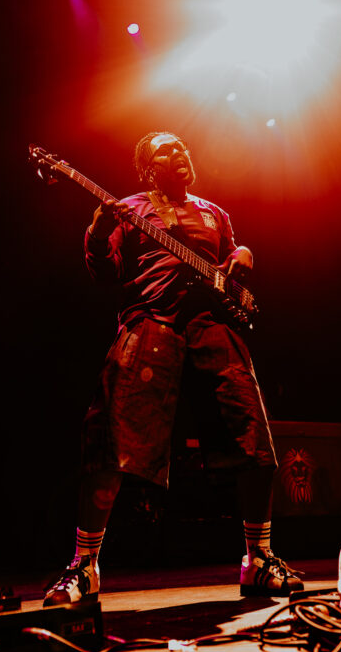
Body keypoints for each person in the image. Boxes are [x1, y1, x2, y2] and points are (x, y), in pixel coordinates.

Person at [44, 131, 302, 605]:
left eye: (181, 146)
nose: (179, 152)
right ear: (148, 168)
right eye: (165, 150)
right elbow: (106, 272)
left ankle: (259, 559)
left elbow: (231, 262)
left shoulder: (214, 213)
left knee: (255, 439)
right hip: (150, 322)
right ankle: (84, 566)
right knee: (109, 442)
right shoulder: (130, 209)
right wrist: (98, 232)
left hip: (210, 326)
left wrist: (242, 255)